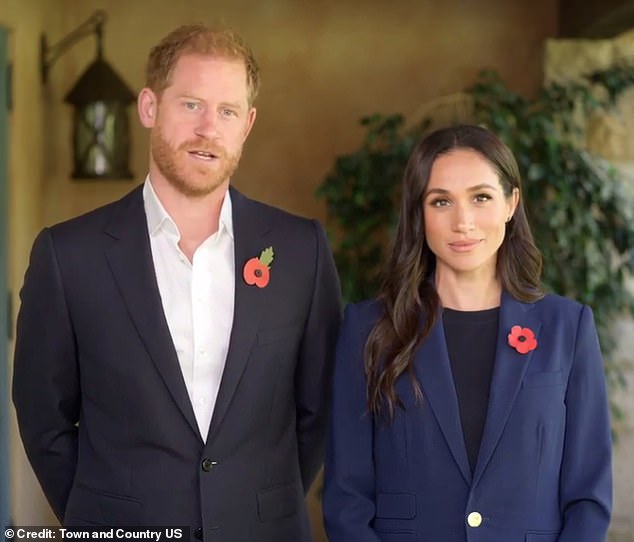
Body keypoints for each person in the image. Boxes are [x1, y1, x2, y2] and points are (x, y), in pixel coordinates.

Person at [12, 23, 341, 542]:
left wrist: (255, 503)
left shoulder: (302, 251)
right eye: (191, 104)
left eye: (227, 111)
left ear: (247, 124)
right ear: (149, 107)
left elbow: (317, 408)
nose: (208, 128)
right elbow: (42, 415)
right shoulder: (68, 255)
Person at [322, 124, 612, 542]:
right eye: (441, 201)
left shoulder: (568, 329)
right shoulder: (369, 329)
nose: (463, 222)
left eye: (481, 198)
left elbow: (589, 496)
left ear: (511, 203)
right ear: (419, 213)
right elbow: (347, 499)